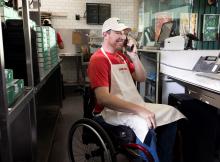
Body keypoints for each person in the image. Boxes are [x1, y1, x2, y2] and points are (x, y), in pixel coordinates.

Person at [87, 17, 185, 162]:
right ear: (105, 34)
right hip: (110, 111)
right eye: (118, 32)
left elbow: (141, 77)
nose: (123, 37)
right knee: (143, 123)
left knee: (171, 113)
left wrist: (134, 57)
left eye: (124, 33)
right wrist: (140, 110)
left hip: (132, 105)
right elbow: (103, 98)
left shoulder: (121, 56)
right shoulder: (98, 59)